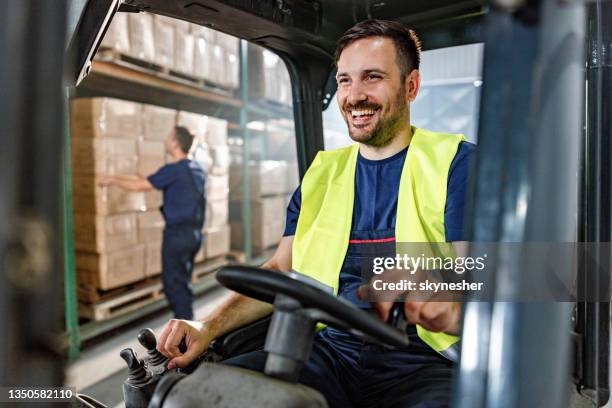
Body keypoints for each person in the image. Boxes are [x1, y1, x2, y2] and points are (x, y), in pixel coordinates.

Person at [156, 19, 475, 407]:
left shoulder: (456, 164)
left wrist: (448, 301)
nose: (354, 96)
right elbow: (280, 272)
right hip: (329, 352)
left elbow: (478, 278)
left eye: (371, 77)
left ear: (411, 86)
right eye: (344, 80)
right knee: (199, 396)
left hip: (423, 362)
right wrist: (207, 325)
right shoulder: (323, 174)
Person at [99, 125, 206, 320]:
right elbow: (145, 180)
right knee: (183, 281)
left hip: (178, 236)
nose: (166, 140)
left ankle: (185, 332)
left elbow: (141, 185)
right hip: (195, 235)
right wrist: (113, 177)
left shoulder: (173, 170)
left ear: (175, 143)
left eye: (169, 137)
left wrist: (113, 181)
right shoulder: (196, 168)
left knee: (173, 284)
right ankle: (187, 323)